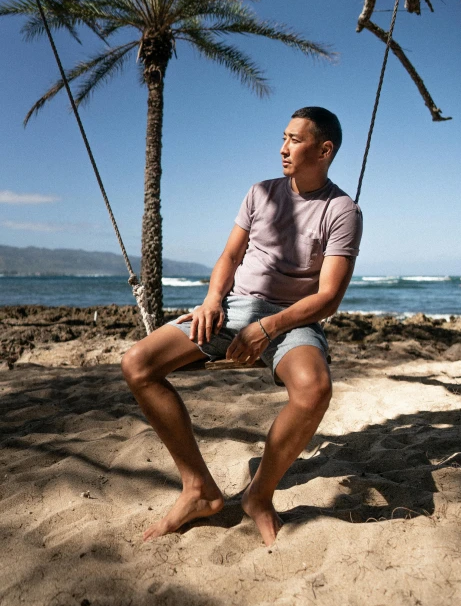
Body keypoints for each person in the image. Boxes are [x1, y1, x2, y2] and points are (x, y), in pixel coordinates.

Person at [121, 106, 363, 546]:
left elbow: (328, 298)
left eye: (295, 139)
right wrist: (213, 299)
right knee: (137, 363)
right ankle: (198, 489)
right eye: (283, 137)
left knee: (314, 390)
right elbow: (230, 257)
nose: (283, 147)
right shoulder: (260, 193)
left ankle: (259, 496)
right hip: (234, 308)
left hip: (294, 319)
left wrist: (269, 327)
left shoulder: (342, 210)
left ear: (324, 150)